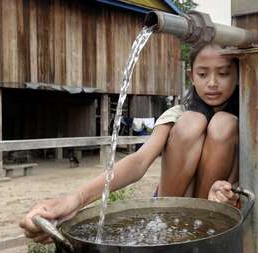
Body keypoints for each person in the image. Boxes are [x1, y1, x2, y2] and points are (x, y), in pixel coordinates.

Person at [20, 44, 241, 243]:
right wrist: (76, 199)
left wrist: (226, 194)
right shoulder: (178, 114)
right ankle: (168, 221)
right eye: (203, 74)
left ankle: (206, 218)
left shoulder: (250, 121)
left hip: (216, 207)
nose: (212, 83)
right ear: (191, 76)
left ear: (240, 74)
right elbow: (138, 161)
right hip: (172, 206)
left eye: (223, 73)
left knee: (225, 123)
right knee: (192, 122)